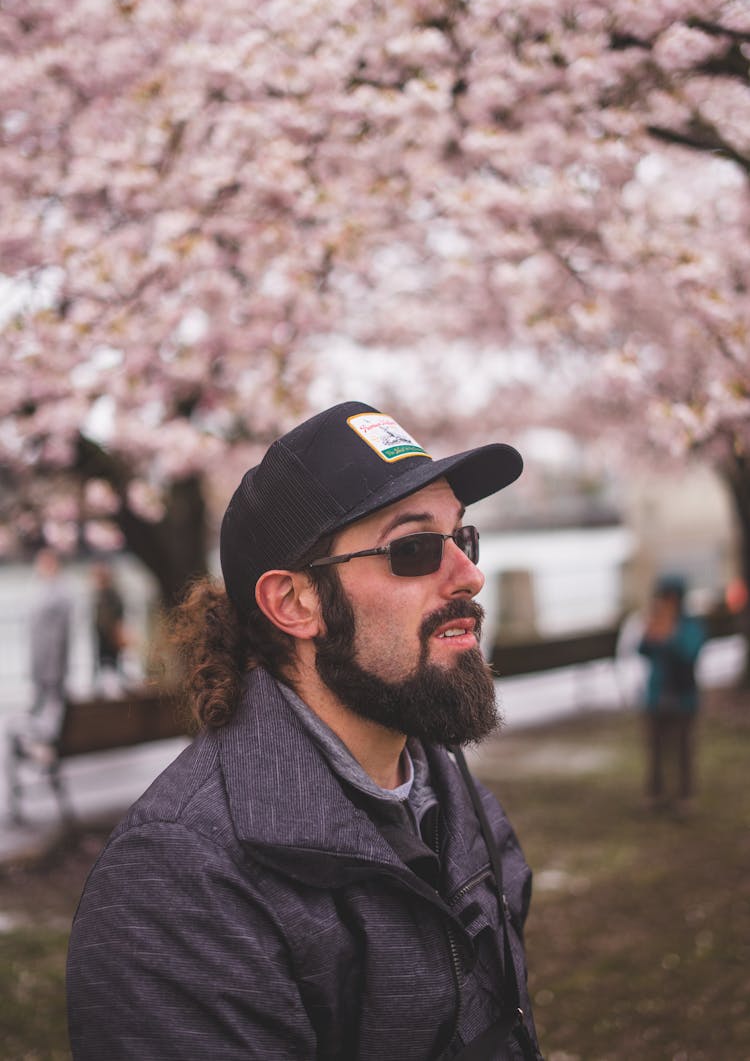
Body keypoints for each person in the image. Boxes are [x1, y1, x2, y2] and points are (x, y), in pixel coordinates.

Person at [66, 401, 543, 1061]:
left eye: (461, 537)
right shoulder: (178, 887)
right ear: (293, 602)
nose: (469, 574)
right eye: (413, 548)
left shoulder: (456, 798)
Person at [638, 573, 706, 815]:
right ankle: (656, 793)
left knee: (683, 750)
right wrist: (650, 634)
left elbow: (689, 655)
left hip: (683, 698)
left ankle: (684, 795)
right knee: (655, 749)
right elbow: (643, 650)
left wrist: (669, 636)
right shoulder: (656, 621)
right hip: (656, 698)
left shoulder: (690, 626)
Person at [26, 546, 72, 740]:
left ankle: (50, 742)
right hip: (40, 659)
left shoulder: (60, 592)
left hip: (52, 662)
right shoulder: (40, 588)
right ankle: (41, 740)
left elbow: (61, 634)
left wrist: (54, 666)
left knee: (53, 703)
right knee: (41, 701)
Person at [91, 561, 126, 688]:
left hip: (109, 638)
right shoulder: (101, 595)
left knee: (112, 664)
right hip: (104, 638)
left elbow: (114, 617)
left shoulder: (110, 596)